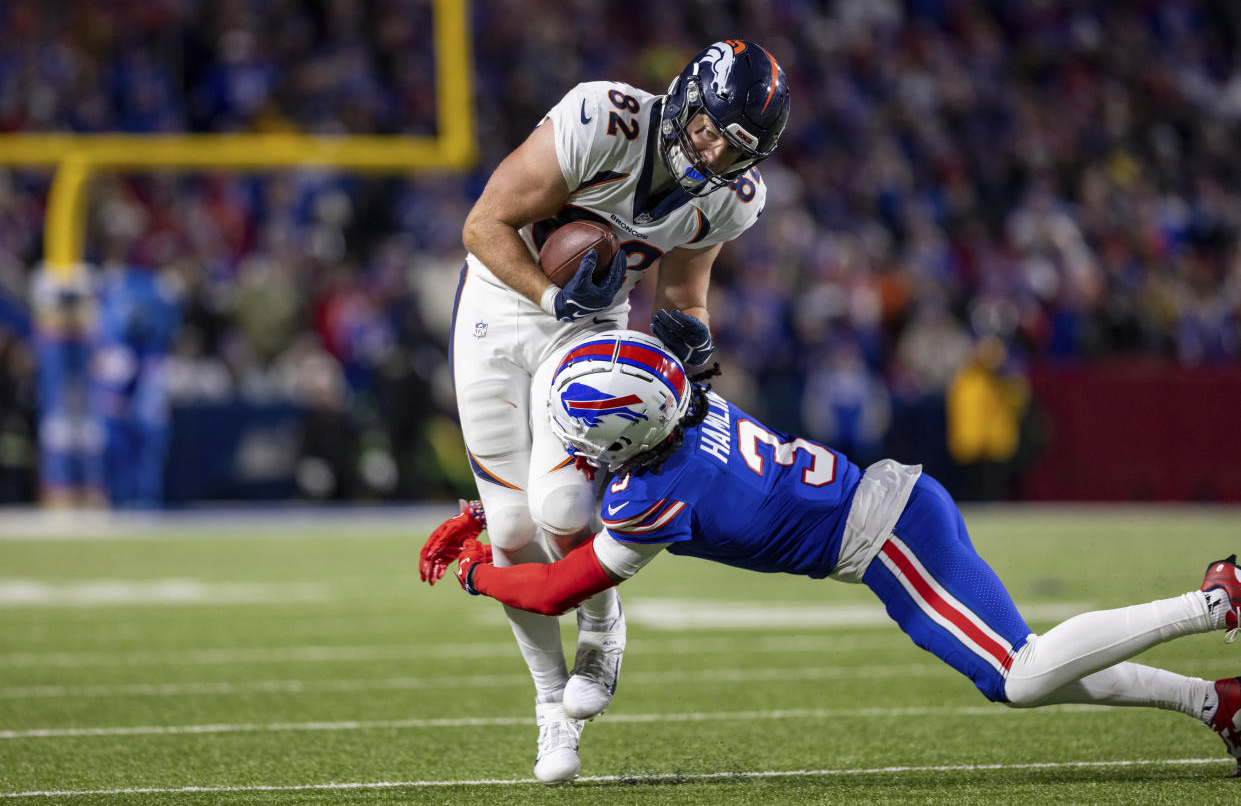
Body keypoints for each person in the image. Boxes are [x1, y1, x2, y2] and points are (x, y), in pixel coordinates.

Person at [450, 329, 1241, 780]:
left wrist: (473, 571)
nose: (576, 446)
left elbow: (558, 588)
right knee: (1015, 675)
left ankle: (1214, 599)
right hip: (885, 519)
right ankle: (1216, 705)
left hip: (887, 536)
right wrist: (489, 529)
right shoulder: (690, 402)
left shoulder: (655, 495)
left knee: (1022, 674)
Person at [420, 41, 792, 784]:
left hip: (590, 325)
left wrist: (690, 340)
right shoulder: (603, 118)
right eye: (710, 127)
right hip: (499, 301)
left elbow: (683, 295)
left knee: (559, 502)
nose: (713, 149)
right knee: (512, 527)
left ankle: (601, 623)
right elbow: (482, 225)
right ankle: (550, 708)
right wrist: (550, 293)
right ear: (684, 98)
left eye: (734, 147)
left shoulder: (727, 197)